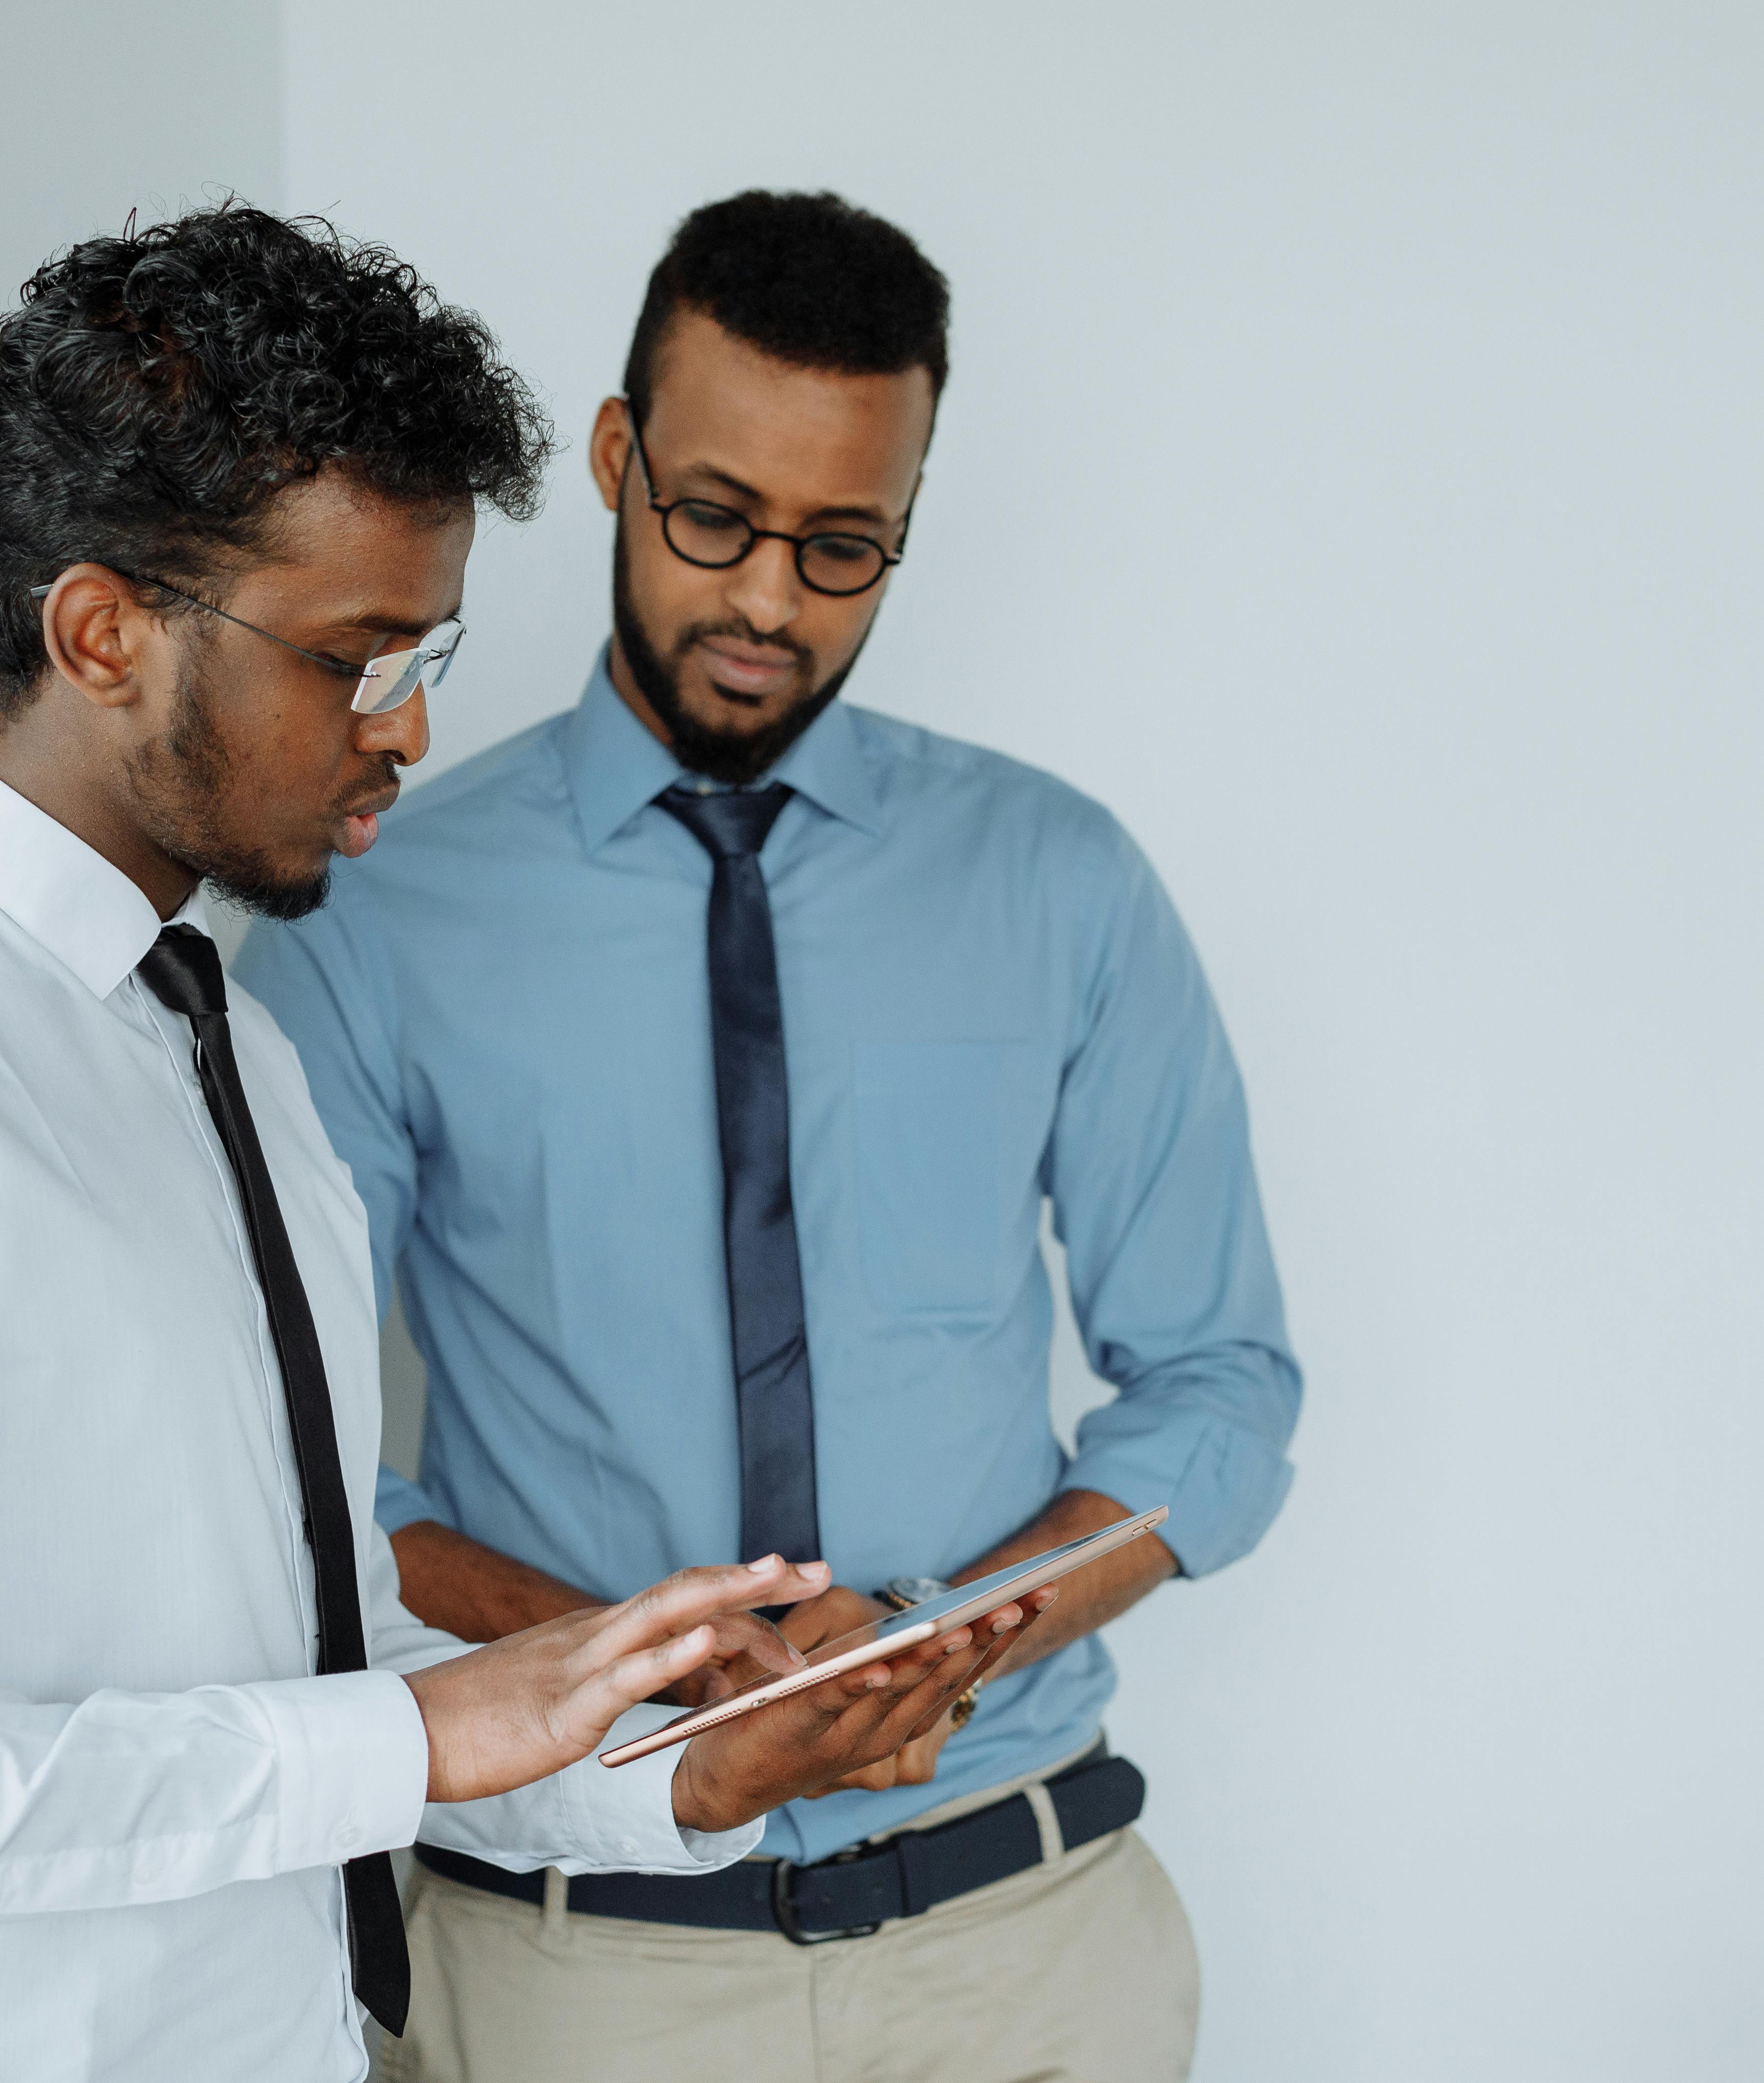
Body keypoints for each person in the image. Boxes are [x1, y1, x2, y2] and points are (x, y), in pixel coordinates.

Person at [0, 204, 1039, 2083]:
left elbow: (335, 1686)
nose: (407, 727)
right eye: (357, 654)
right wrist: (412, 1740)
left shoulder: (227, 1051)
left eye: (430, 647)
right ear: (101, 633)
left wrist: (675, 1767)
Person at [237, 188, 1300, 2083]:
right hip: (583, 1975)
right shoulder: (375, 913)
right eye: (716, 518)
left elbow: (1216, 1391)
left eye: (844, 549)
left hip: (1025, 1946)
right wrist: (675, 1670)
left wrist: (935, 1646)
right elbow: (292, 1470)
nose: (767, 605)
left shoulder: (1060, 881)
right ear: (619, 456)